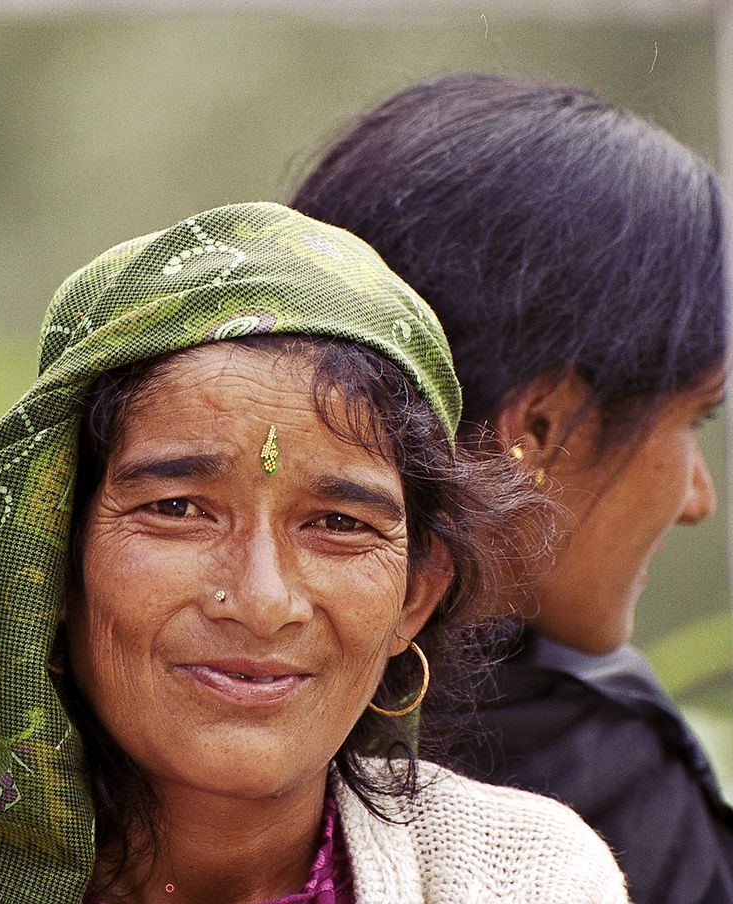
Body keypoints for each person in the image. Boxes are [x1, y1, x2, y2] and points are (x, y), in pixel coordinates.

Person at [0, 202, 628, 903]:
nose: (263, 597)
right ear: (51, 557)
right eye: (177, 509)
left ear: (416, 596)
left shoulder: (520, 880)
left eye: (340, 524)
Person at [290, 72, 732, 904]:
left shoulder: (32, 677)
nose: (697, 499)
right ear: (538, 428)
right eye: (693, 422)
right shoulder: (614, 792)